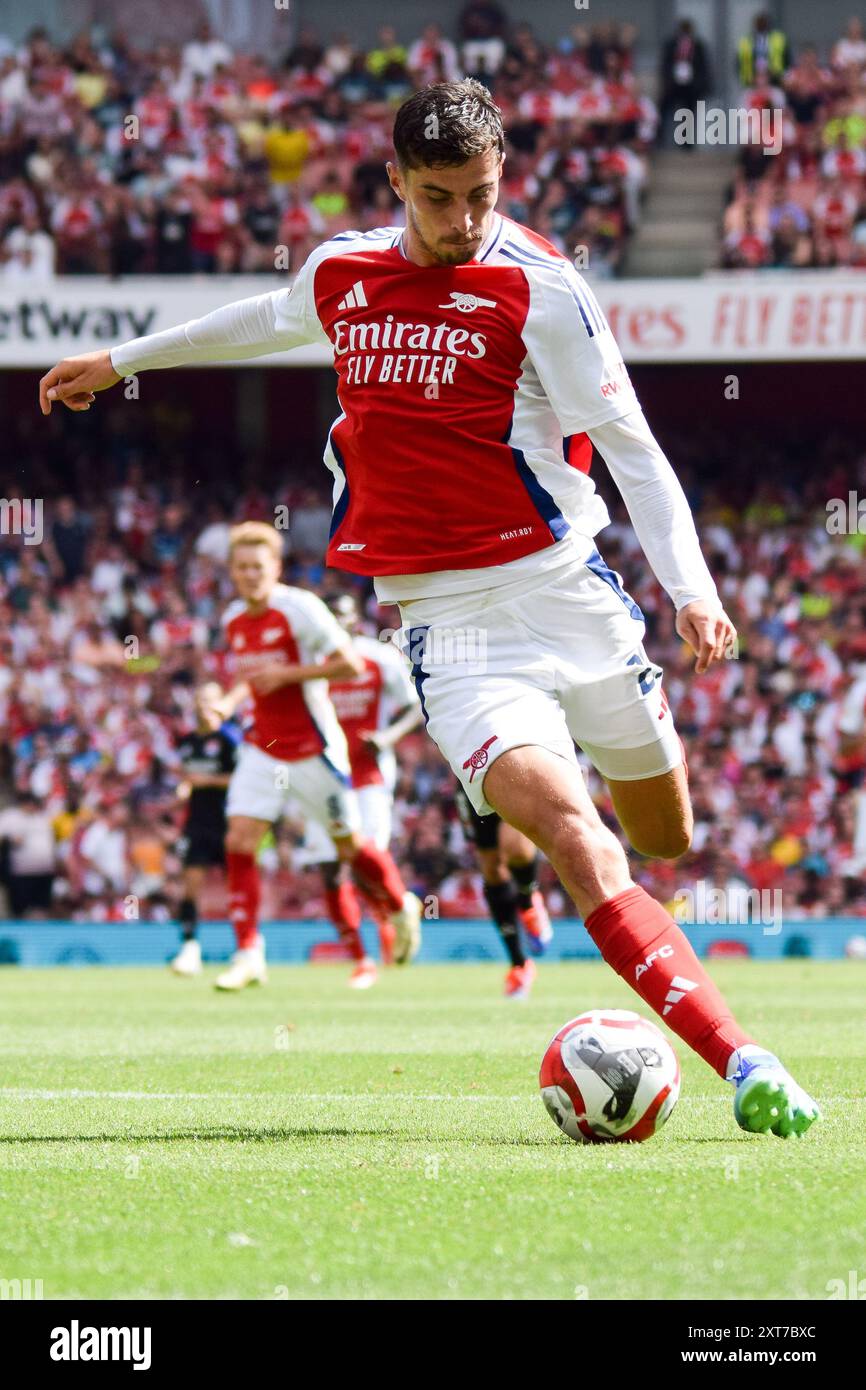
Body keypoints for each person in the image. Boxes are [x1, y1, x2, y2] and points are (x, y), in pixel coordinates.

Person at [39, 79, 819, 1137]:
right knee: (579, 841)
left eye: (482, 196)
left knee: (662, 833)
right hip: (448, 630)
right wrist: (119, 362)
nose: (462, 222)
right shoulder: (342, 270)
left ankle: (526, 796)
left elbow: (631, 447)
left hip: (567, 596)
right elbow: (263, 320)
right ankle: (744, 1061)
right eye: (440, 196)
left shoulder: (540, 288)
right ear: (395, 179)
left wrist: (690, 590)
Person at [197, 521, 420, 991]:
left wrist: (289, 674)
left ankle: (400, 905)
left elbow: (349, 664)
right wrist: (225, 703)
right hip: (265, 748)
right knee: (239, 838)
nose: (250, 575)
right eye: (241, 568)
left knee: (348, 847)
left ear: (275, 567)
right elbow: (251, 677)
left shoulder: (301, 609)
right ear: (232, 572)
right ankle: (248, 953)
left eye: (258, 566)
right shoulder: (233, 618)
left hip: (314, 748)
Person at [300, 593, 423, 965]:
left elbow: (414, 706)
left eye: (344, 615)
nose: (338, 622)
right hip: (325, 773)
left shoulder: (379, 657)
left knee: (366, 859)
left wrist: (386, 738)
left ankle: (393, 920)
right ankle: (360, 957)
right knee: (330, 866)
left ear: (356, 620)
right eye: (331, 615)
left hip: (369, 774)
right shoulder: (312, 663)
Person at [454, 783, 552, 998]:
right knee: (492, 869)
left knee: (516, 848)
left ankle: (528, 903)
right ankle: (519, 965)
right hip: (467, 770)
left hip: (508, 762)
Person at [170, 682, 241, 977]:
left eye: (210, 699)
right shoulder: (187, 742)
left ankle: (246, 948)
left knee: (236, 887)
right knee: (190, 885)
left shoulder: (230, 739)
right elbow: (187, 776)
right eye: (200, 699)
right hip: (197, 823)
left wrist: (206, 782)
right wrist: (185, 787)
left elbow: (243, 779)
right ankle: (190, 948)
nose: (204, 705)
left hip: (229, 822)